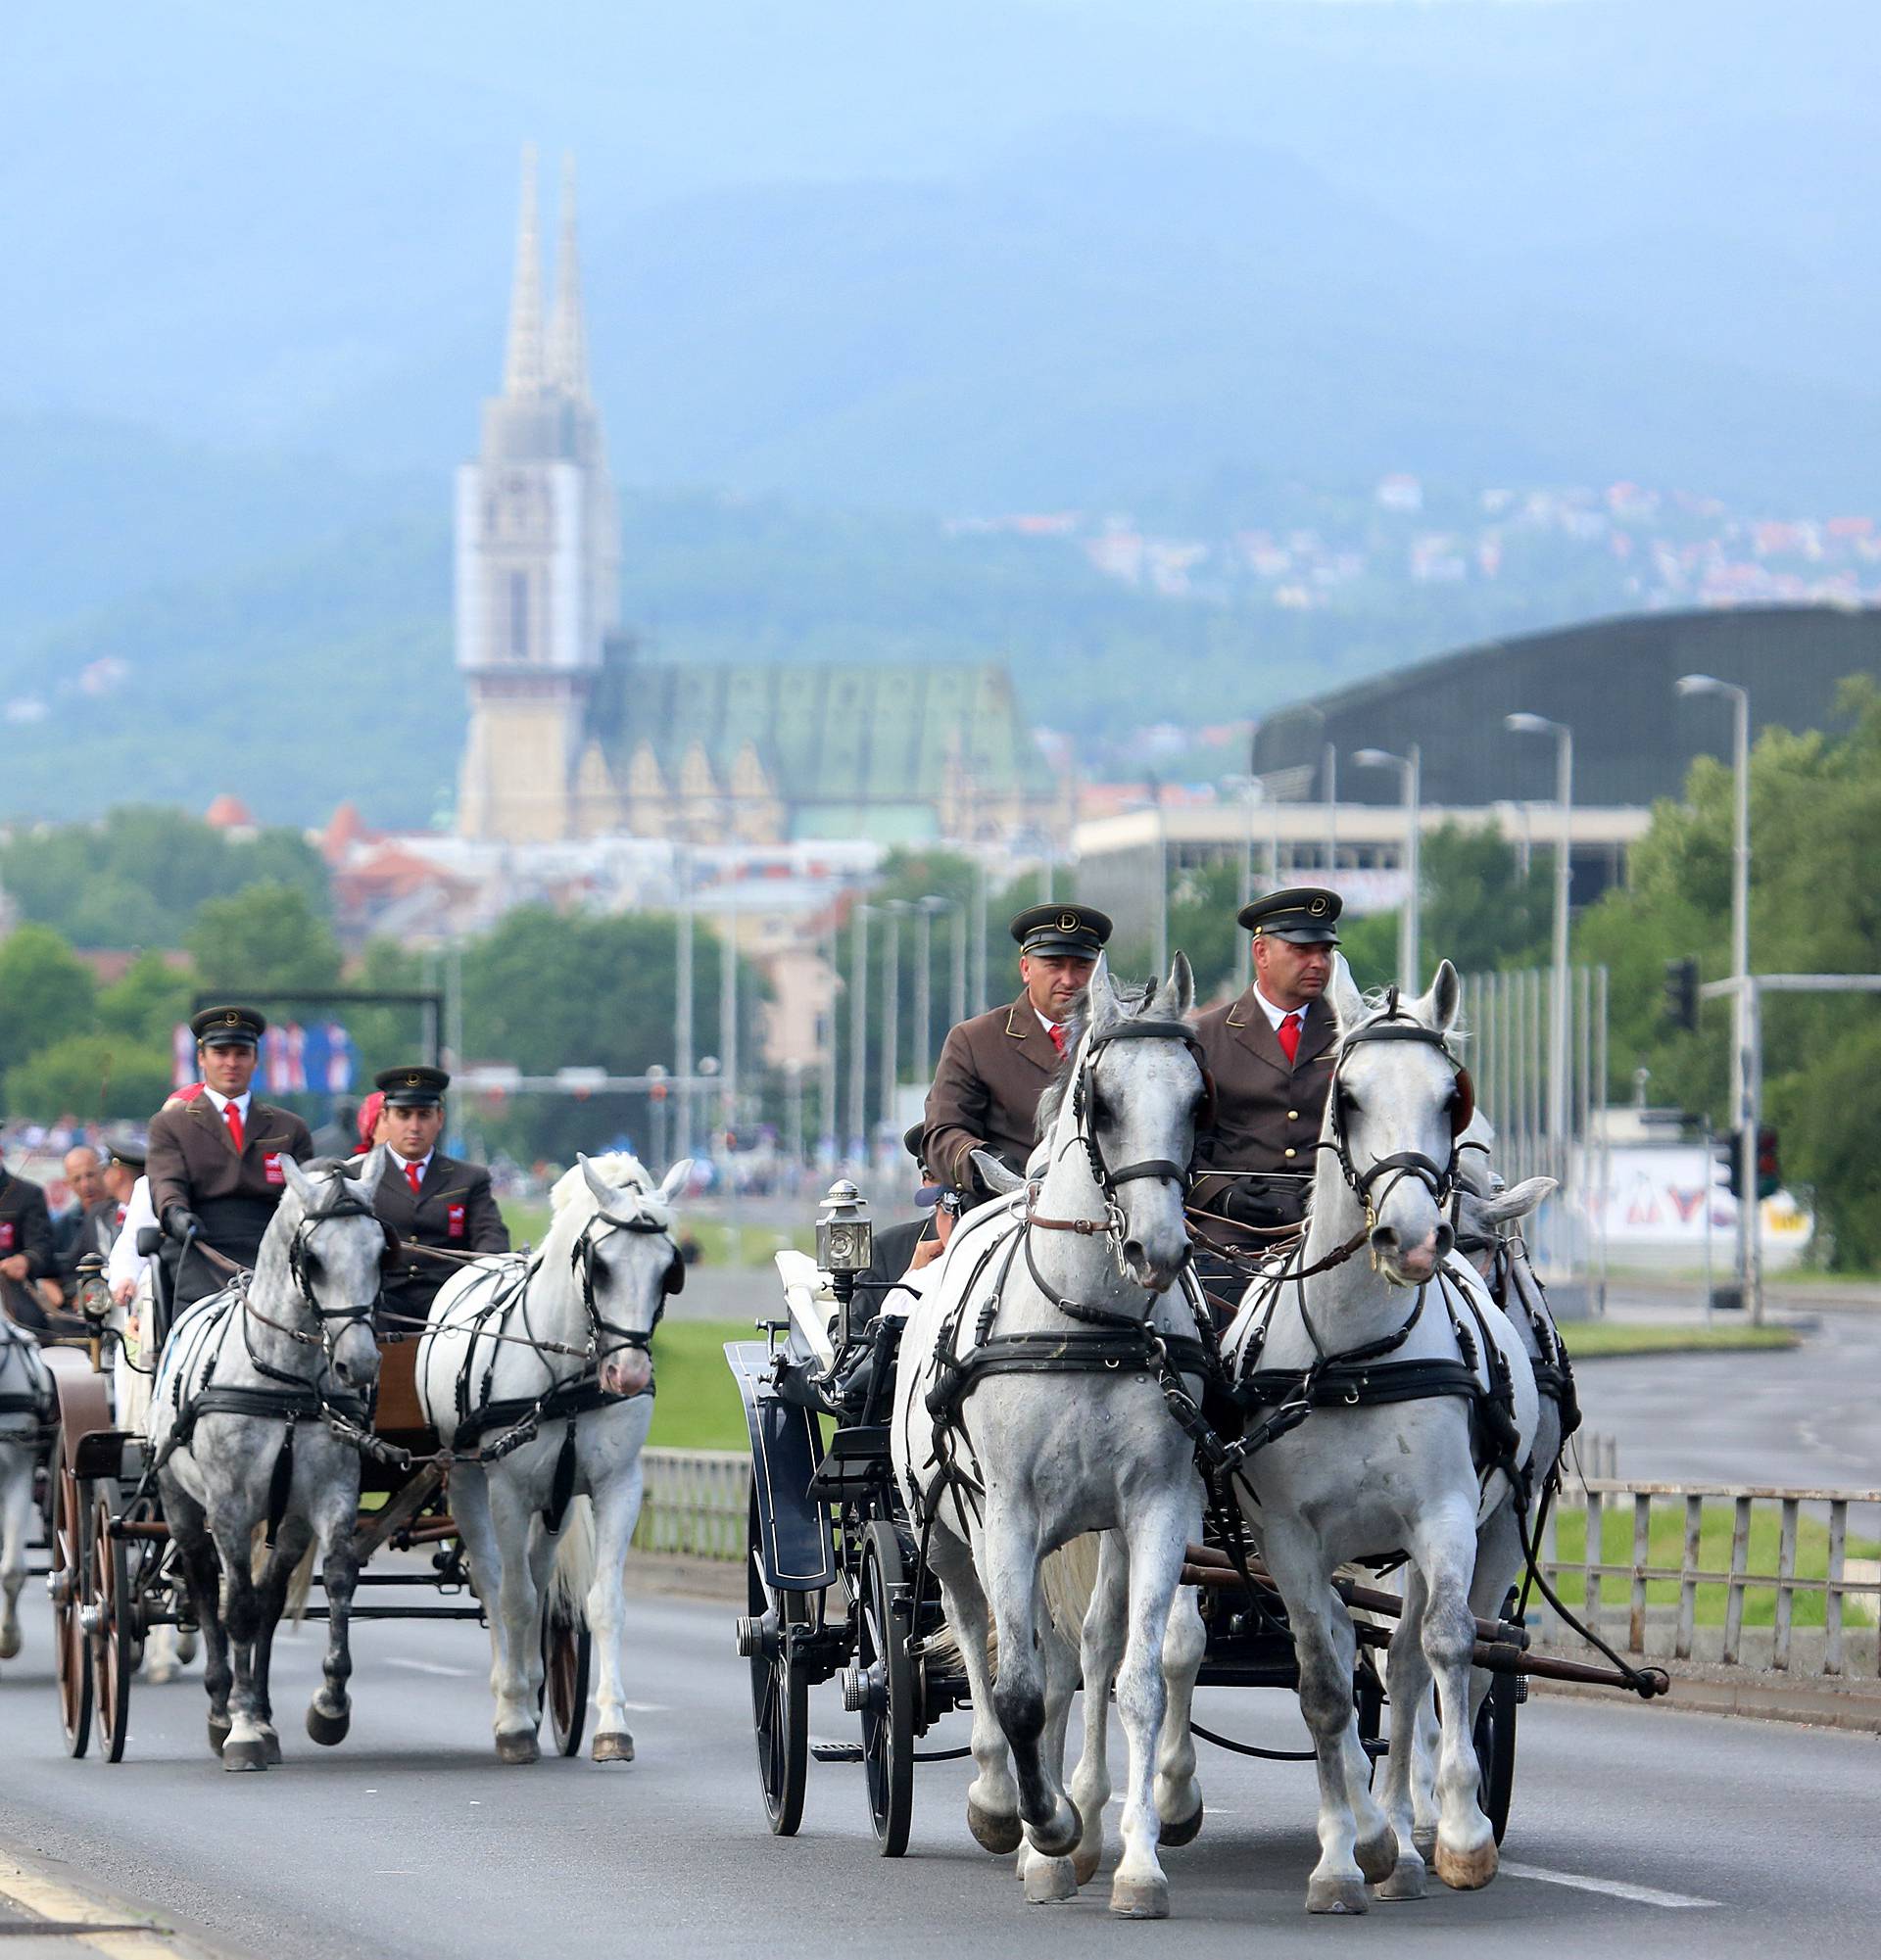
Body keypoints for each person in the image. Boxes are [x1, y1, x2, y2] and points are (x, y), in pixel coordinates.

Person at [1188, 886, 1343, 1271]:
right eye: (1301, 950)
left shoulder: (1351, 1033)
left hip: (1332, 1215)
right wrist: (1221, 1196)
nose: (1318, 963)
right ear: (1261, 953)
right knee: (1209, 1302)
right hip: (1234, 1225)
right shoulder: (1204, 1037)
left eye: (1324, 951)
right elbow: (1177, 1138)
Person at [920, 902, 1112, 1204]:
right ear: (1025, 968)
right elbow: (942, 1135)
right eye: (1054, 964)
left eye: (1081, 966)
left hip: (1112, 1212)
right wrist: (988, 1163)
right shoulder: (976, 1041)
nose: (1069, 979)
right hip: (1009, 1210)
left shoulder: (1121, 1043)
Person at [145, 1006, 316, 1309]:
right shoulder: (171, 1124)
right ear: (202, 1058)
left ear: (255, 1060)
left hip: (274, 1248)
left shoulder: (289, 1127)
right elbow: (166, 1182)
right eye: (221, 1053)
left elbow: (307, 1196)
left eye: (241, 1053)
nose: (231, 1063)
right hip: (200, 1246)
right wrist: (176, 1215)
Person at [363, 1066, 508, 1328]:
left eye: (424, 1115)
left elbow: (491, 1238)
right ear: (385, 1118)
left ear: (439, 1118)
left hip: (452, 1310)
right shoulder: (356, 1177)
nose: (414, 1127)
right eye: (404, 1115)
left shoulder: (469, 1179)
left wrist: (480, 1282)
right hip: (377, 1308)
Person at [0, 1145, 61, 1330]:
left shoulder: (27, 1195)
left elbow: (42, 1248)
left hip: (11, 1291)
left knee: (29, 1322)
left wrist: (25, 1261)